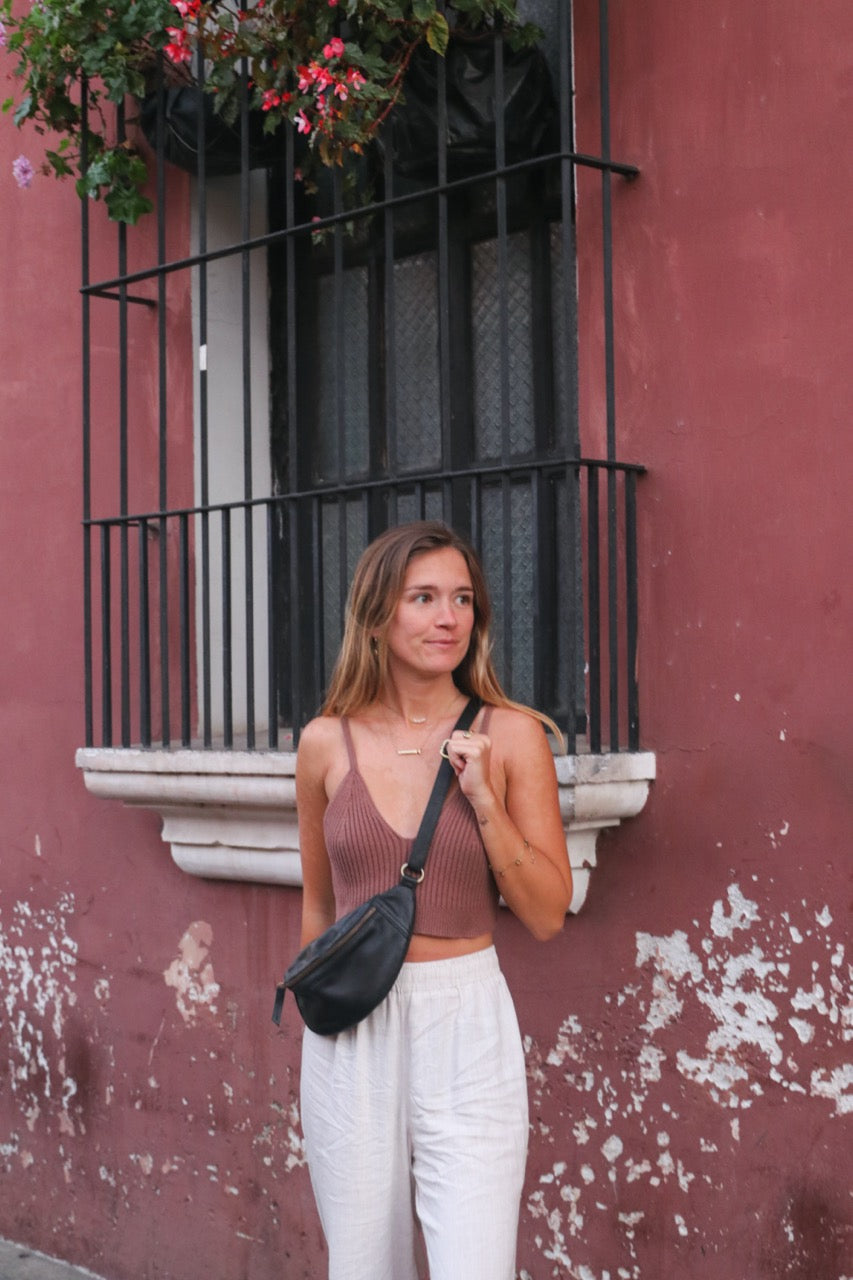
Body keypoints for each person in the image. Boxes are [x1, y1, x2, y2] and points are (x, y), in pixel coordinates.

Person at [295, 520, 572, 1280]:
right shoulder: (326, 743)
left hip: (466, 1018)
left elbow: (547, 913)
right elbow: (319, 907)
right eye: (423, 598)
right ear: (378, 615)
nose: (448, 618)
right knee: (361, 1265)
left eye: (461, 599)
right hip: (351, 1026)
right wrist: (317, 1020)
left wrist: (483, 799)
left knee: (473, 1265)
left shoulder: (510, 736)